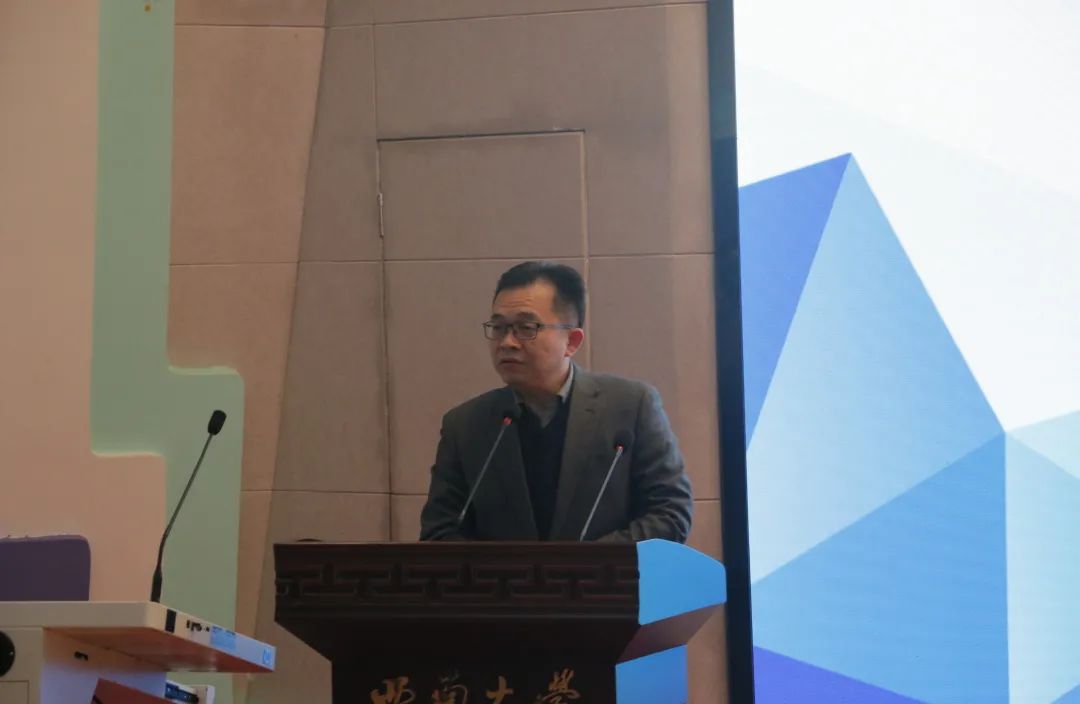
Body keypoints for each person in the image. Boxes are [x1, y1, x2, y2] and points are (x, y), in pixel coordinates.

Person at [419, 261, 693, 542]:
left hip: (606, 572)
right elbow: (439, 531)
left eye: (526, 327)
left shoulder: (631, 407)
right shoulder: (465, 425)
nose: (507, 342)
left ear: (572, 341)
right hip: (502, 574)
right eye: (498, 327)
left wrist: (587, 562)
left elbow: (670, 514)